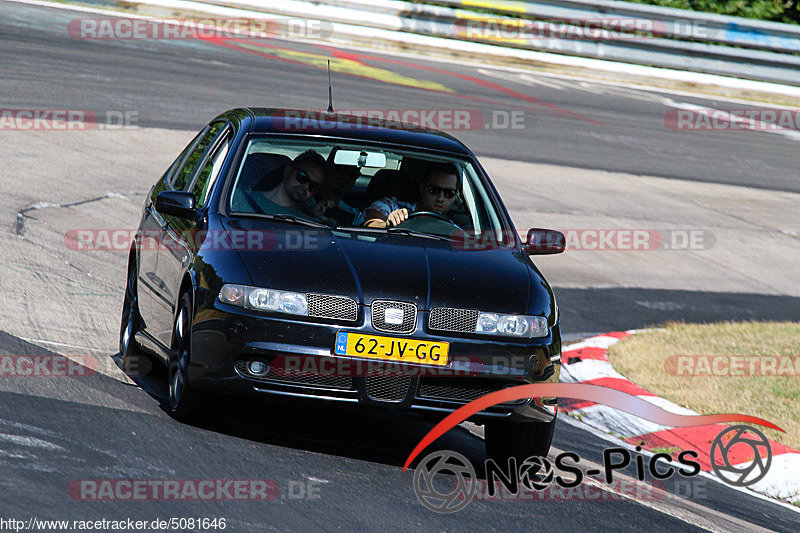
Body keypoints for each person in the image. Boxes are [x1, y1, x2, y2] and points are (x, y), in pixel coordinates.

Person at [363, 162, 461, 228]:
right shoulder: (390, 205)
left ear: (456, 195)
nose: (440, 198)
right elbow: (371, 223)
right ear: (422, 188)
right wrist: (387, 224)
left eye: (449, 193)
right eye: (434, 190)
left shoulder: (452, 230)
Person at [245, 150, 327, 218]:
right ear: (288, 171)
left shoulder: (306, 223)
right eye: (303, 177)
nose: (306, 186)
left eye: (313, 187)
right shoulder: (240, 198)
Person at [306, 157, 363, 226]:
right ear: (328, 168)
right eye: (341, 170)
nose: (346, 177)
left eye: (353, 174)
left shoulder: (355, 217)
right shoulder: (304, 198)